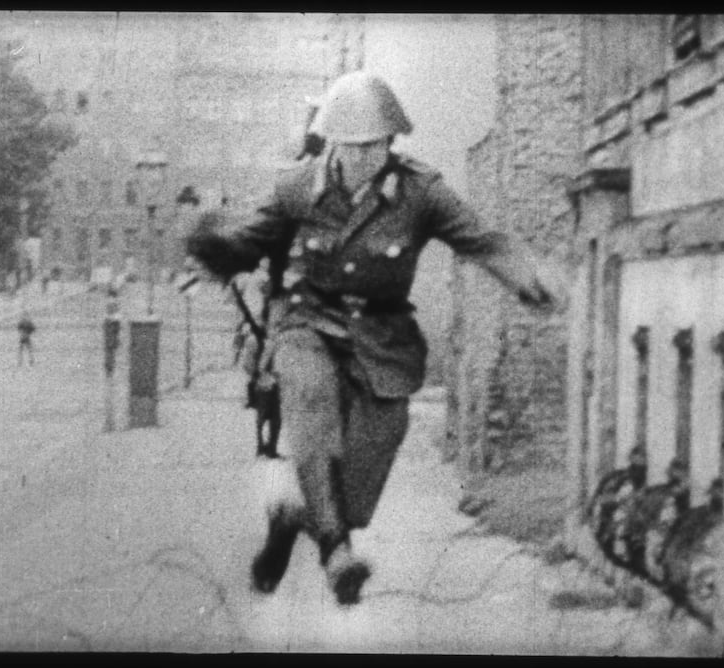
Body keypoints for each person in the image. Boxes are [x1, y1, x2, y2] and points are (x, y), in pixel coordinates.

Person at [186, 71, 568, 605]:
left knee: (370, 460)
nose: (368, 155)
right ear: (333, 142)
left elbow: (482, 240)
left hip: (384, 335)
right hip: (308, 321)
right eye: (356, 145)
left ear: (392, 142)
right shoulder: (297, 188)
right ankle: (337, 556)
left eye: (379, 144)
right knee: (312, 409)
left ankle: (296, 517)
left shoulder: (420, 192)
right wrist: (213, 247)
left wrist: (528, 278)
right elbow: (249, 243)